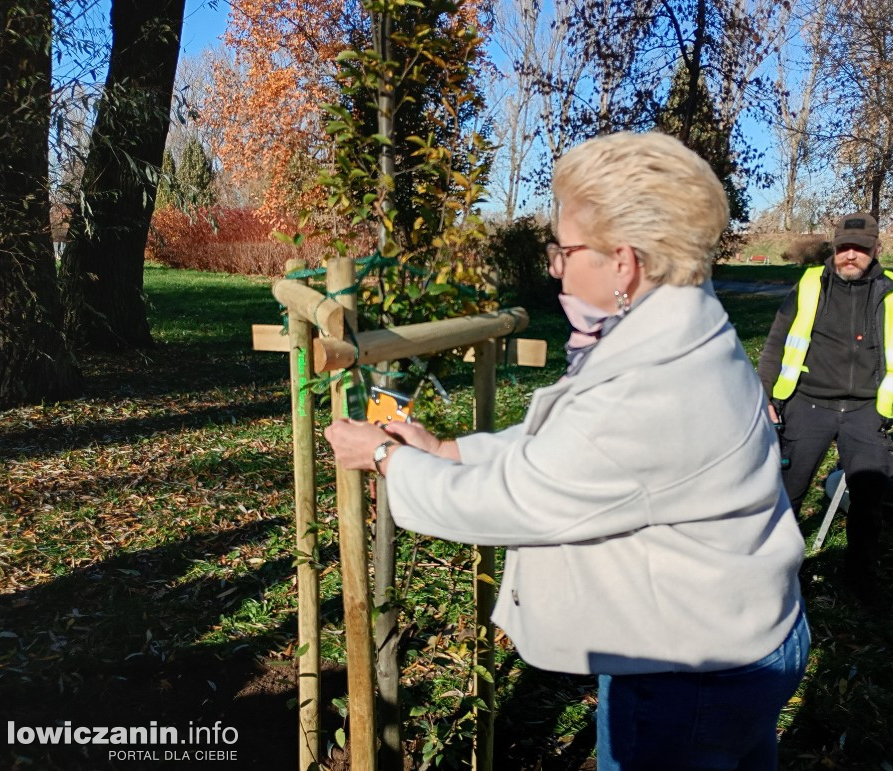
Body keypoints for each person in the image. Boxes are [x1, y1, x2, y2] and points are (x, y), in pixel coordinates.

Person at [326, 131, 808, 770]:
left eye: (564, 248)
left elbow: (519, 499)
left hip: (687, 674)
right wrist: (447, 448)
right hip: (734, 635)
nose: (555, 265)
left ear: (623, 262)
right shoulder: (683, 328)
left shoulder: (652, 386)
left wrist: (386, 459)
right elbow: (571, 449)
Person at [757, 212, 893, 599]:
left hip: (868, 410)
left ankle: (860, 581)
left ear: (876, 250)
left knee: (867, 503)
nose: (850, 255)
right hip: (807, 404)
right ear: (833, 248)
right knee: (786, 495)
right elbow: (776, 344)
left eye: (860, 249)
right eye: (843, 248)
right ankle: (771, 576)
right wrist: (765, 396)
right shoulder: (810, 285)